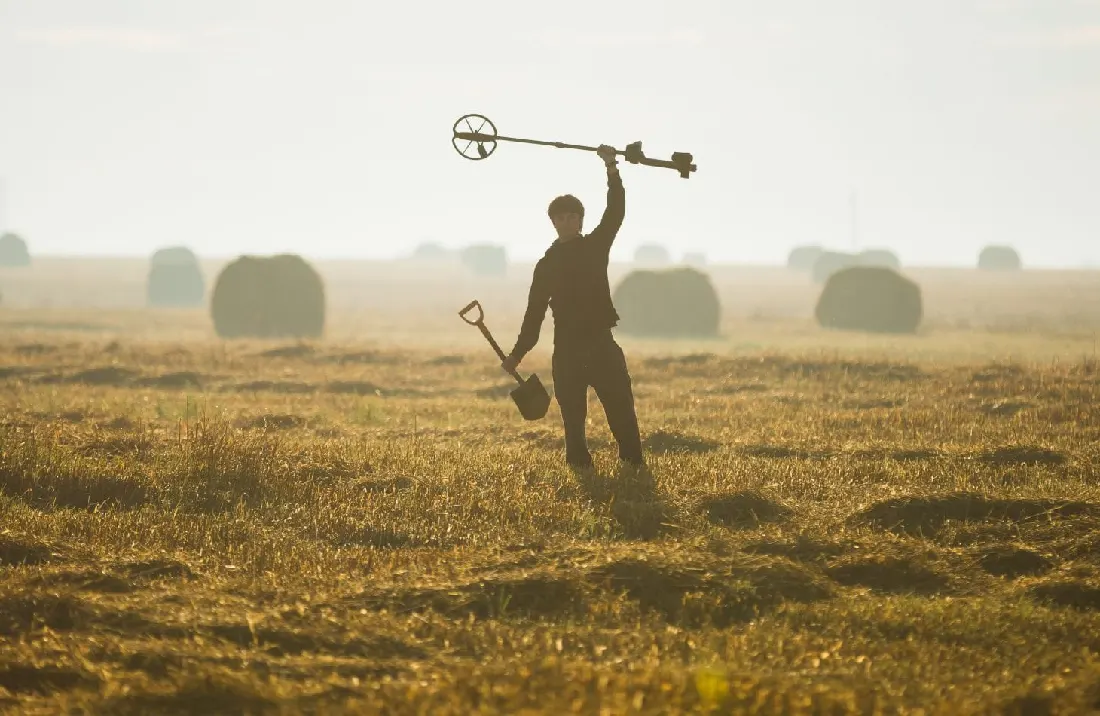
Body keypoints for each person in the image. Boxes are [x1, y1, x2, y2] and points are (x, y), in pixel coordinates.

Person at [501, 145, 644, 469]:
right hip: (566, 349)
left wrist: (612, 169)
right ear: (553, 222)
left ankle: (633, 465)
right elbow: (534, 314)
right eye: (560, 217)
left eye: (572, 217)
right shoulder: (546, 265)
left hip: (601, 344)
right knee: (572, 417)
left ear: (581, 220)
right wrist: (517, 354)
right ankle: (580, 469)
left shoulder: (595, 246)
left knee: (621, 409)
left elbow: (616, 212)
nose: (566, 222)